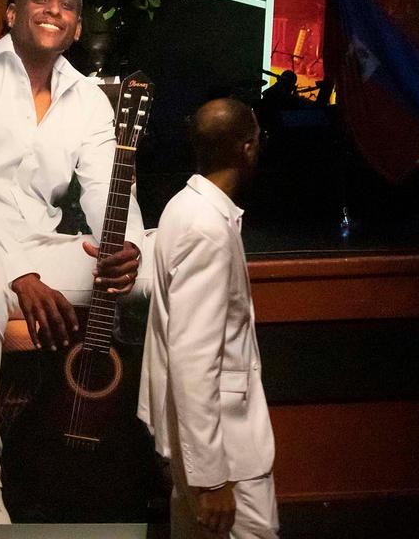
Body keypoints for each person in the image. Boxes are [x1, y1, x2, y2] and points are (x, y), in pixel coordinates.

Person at [0, 0, 151, 523]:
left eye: (68, 4)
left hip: (44, 246)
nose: (54, 9)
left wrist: (129, 250)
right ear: (12, 12)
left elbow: (104, 191)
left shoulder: (90, 100)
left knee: (154, 270)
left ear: (76, 28)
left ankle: (157, 447)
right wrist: (21, 275)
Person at [139, 98, 278, 538]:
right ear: (248, 147)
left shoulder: (184, 207)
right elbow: (192, 358)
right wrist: (212, 478)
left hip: (198, 443)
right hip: (225, 450)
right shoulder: (207, 228)